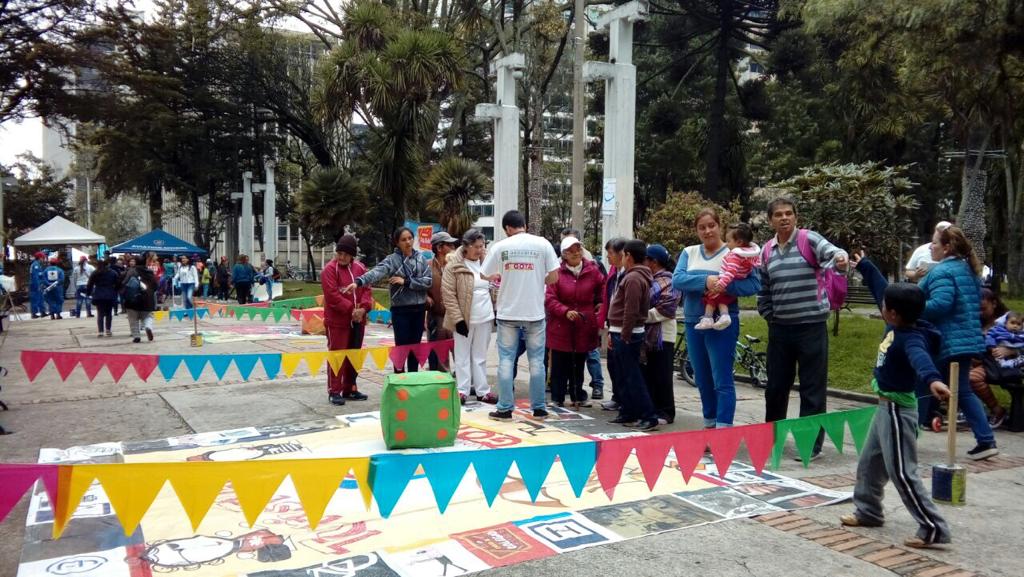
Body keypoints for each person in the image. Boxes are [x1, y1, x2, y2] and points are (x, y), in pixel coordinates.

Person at [843, 252, 952, 549]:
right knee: (869, 464)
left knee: (903, 472)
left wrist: (934, 380)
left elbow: (921, 361)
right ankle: (868, 511)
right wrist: (864, 264)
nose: (881, 304)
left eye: (884, 305)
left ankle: (933, 528)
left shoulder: (910, 338)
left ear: (891, 313)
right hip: (884, 409)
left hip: (897, 411)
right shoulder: (898, 321)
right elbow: (882, 288)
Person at [757, 197, 848, 460]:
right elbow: (764, 290)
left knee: (812, 388)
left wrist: (840, 259)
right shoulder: (767, 251)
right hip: (780, 329)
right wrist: (768, 314)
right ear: (770, 220)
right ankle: (771, 439)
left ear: (796, 217)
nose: (784, 218)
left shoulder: (809, 240)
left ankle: (810, 445)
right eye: (778, 215)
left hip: (812, 327)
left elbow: (834, 254)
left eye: (789, 213)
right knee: (775, 387)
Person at [673, 210, 763, 429]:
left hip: (723, 322)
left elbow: (753, 285)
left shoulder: (737, 251)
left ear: (720, 226)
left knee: (722, 379)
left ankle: (723, 431)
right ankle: (709, 425)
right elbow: (678, 279)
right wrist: (706, 281)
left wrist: (724, 285)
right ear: (696, 230)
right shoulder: (689, 252)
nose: (707, 231)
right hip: (695, 321)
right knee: (702, 379)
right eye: (702, 227)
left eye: (712, 225)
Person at [918, 225, 998, 460]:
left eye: (934, 242)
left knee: (922, 385)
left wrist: (911, 307)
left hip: (945, 341)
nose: (930, 246)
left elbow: (941, 305)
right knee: (962, 390)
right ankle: (985, 440)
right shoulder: (967, 270)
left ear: (947, 247)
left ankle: (906, 436)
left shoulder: (943, 272)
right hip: (966, 340)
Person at [481, 210, 559, 421]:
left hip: (508, 312)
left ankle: (505, 408)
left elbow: (483, 273)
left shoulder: (500, 246)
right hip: (534, 313)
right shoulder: (543, 244)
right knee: (536, 362)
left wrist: (500, 274)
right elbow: (554, 276)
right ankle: (539, 408)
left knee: (506, 360)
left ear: (507, 228)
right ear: (524, 224)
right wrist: (537, 280)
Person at [345, 227, 432, 373]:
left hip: (419, 309)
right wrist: (358, 282)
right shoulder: (392, 260)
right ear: (397, 242)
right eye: (403, 240)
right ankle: (399, 379)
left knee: (415, 346)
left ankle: (413, 378)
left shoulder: (421, 259)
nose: (408, 242)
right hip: (400, 310)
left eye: (410, 238)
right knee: (401, 347)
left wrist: (406, 282)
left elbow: (428, 281)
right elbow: (376, 272)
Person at [546, 236, 604, 408]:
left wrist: (600, 303)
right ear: (563, 254)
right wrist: (565, 311)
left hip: (583, 323)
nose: (575, 253)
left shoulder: (592, 270)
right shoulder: (556, 272)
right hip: (560, 324)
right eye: (571, 250)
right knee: (559, 363)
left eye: (578, 249)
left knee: (579, 362)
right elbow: (549, 298)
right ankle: (557, 397)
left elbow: (602, 287)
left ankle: (578, 395)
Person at [607, 240, 658, 431]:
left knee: (632, 376)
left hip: (627, 333)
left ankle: (648, 415)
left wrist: (625, 334)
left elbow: (631, 309)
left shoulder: (634, 278)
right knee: (623, 375)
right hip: (620, 331)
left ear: (628, 255)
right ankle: (627, 411)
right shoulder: (632, 276)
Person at [442, 229, 497, 404]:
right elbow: (448, 294)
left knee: (480, 355)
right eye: (477, 247)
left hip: (485, 317)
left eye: (482, 246)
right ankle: (462, 390)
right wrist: (458, 320)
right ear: (466, 246)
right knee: (462, 355)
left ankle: (482, 390)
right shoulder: (454, 266)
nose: (480, 250)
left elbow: (494, 286)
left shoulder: (487, 263)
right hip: (464, 318)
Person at [322, 235, 373, 405]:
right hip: (337, 322)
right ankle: (334, 390)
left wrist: (364, 309)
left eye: (345, 254)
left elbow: (366, 289)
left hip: (358, 320)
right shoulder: (329, 270)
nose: (341, 257)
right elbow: (332, 296)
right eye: (339, 253)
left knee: (354, 354)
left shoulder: (360, 269)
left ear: (352, 255)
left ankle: (350, 387)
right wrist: (352, 310)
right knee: (338, 355)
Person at [643, 244, 681, 425]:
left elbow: (667, 309)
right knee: (651, 374)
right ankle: (652, 408)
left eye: (646, 259)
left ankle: (666, 411)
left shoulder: (670, 281)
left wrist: (641, 316)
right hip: (648, 334)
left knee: (662, 375)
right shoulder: (650, 280)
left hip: (663, 334)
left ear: (654, 262)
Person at [697, 223, 760, 331]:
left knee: (711, 297)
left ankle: (709, 318)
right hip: (732, 286)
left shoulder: (735, 256)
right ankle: (722, 316)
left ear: (739, 242)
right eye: (702, 227)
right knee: (722, 300)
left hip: (726, 282)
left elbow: (730, 272)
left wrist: (721, 285)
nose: (727, 244)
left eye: (729, 241)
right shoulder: (747, 256)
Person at [969, 288, 1011, 426]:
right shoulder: (977, 322)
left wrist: (1009, 350)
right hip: (981, 361)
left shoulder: (1009, 321)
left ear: (994, 303)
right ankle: (969, 410)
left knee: (973, 378)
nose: (980, 312)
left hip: (1000, 363)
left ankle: (997, 410)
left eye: (983, 308)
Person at [598, 238, 628, 411]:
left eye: (610, 253)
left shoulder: (630, 273)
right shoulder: (613, 272)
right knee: (613, 363)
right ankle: (617, 397)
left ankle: (625, 400)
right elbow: (607, 296)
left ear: (621, 254)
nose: (608, 257)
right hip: (613, 323)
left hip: (625, 325)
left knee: (624, 365)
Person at [427, 231, 459, 371]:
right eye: (449, 244)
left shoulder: (457, 265)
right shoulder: (426, 266)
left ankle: (464, 385)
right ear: (439, 248)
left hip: (456, 317)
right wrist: (425, 297)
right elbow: (419, 287)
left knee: (460, 353)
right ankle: (442, 384)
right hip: (436, 316)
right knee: (439, 356)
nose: (453, 247)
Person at [123, 256, 158, 343]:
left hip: (132, 299)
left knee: (133, 319)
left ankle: (136, 336)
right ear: (145, 262)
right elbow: (155, 286)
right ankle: (148, 327)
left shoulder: (131, 271)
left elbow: (124, 283)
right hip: (147, 299)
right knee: (148, 316)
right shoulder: (149, 272)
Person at [87, 257, 120, 337]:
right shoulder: (113, 273)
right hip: (110, 294)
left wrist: (89, 293)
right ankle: (108, 330)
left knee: (100, 313)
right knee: (109, 313)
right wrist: (115, 291)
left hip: (98, 294)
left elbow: (90, 284)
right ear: (107, 265)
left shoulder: (95, 273)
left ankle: (100, 331)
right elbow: (118, 283)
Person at [29, 252, 47, 318]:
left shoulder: (38, 264)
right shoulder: (35, 265)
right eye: (43, 258)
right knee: (35, 299)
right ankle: (34, 313)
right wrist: (38, 285)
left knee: (41, 298)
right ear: (40, 258)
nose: (44, 259)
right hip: (35, 285)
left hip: (39, 284)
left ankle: (43, 312)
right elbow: (35, 276)